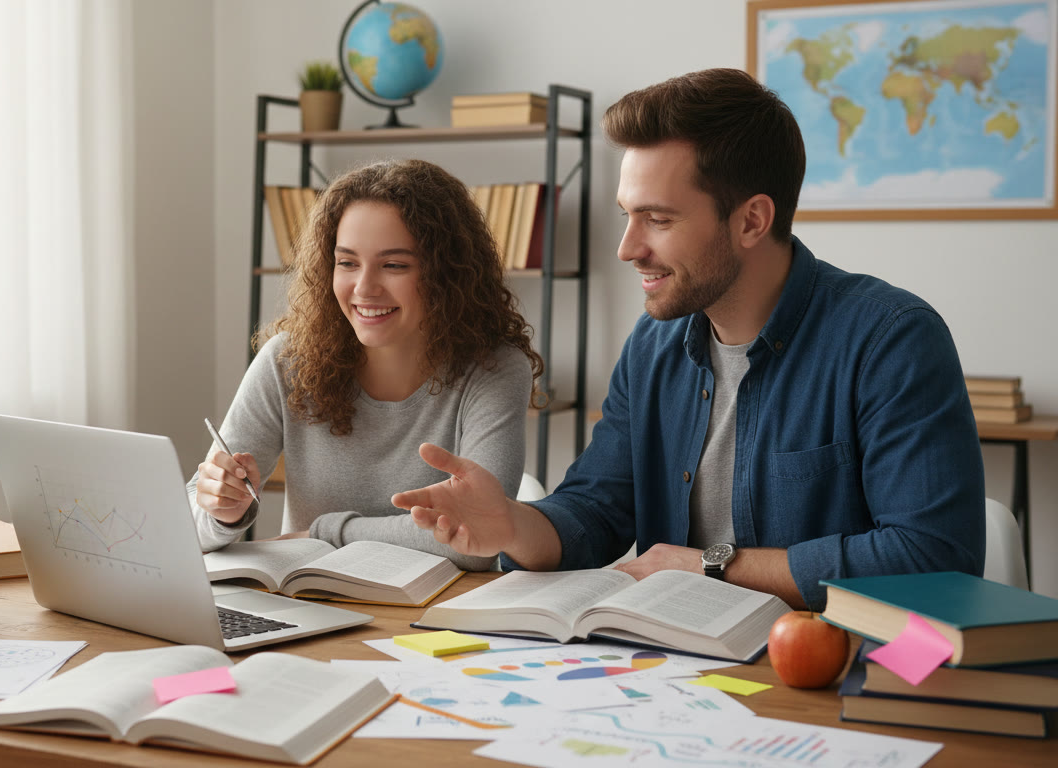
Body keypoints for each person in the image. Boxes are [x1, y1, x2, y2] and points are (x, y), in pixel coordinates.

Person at [395, 68, 985, 609]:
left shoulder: (892, 340)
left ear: (752, 220)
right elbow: (597, 509)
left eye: (659, 219)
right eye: (628, 214)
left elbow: (934, 560)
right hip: (674, 672)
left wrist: (708, 568)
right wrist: (509, 524)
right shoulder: (654, 346)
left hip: (829, 679)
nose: (628, 248)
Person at [190, 158, 544, 571]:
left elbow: (474, 535)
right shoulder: (286, 360)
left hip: (432, 617)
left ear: (447, 274)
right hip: (312, 605)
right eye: (347, 262)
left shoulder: (494, 369)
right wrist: (221, 511)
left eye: (394, 265)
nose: (364, 288)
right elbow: (189, 523)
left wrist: (325, 534)